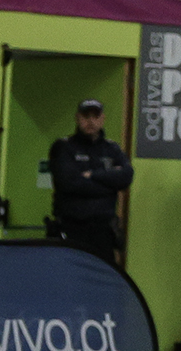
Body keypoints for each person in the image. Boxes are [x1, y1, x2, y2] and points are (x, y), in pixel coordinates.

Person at [46, 98, 132, 266]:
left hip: (103, 232)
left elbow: (126, 177)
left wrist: (93, 175)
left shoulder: (112, 149)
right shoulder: (64, 147)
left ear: (102, 119)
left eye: (95, 116)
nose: (91, 121)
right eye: (86, 116)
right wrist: (108, 183)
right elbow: (69, 183)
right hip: (72, 228)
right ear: (78, 118)